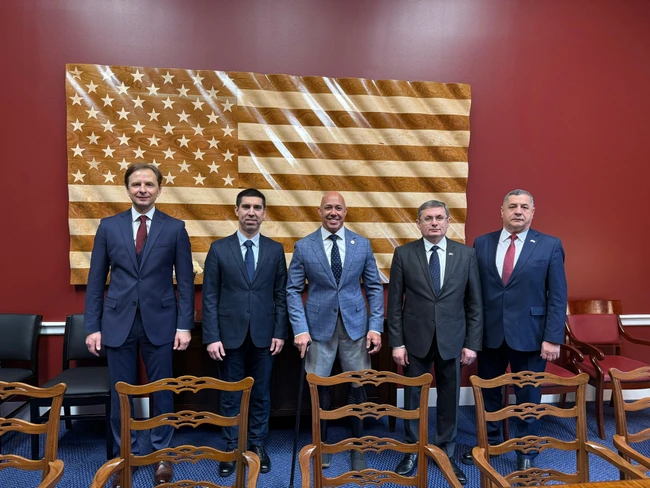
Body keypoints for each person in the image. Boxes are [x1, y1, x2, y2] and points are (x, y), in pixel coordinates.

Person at [84, 163, 194, 487]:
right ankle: (126, 456)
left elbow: (185, 283)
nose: (142, 189)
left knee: (162, 392)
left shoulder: (175, 228)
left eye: (149, 184)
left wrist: (184, 325)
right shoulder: (108, 227)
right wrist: (92, 327)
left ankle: (162, 455)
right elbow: (95, 282)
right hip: (117, 322)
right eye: (136, 184)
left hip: (161, 323)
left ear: (159, 188)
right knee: (122, 393)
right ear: (127, 188)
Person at [461, 189, 567, 471]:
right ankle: (490, 443)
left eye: (524, 207)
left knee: (528, 395)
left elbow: (558, 296)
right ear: (502, 211)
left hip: (532, 336)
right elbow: (474, 293)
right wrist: (471, 336)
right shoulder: (482, 243)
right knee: (489, 393)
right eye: (512, 206)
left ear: (532, 212)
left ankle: (526, 450)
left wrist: (552, 338)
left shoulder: (550, 245)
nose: (518, 211)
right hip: (490, 335)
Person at [286, 191, 384, 472]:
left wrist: (375, 327)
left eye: (338, 208)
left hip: (356, 327)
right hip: (317, 329)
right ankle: (323, 441)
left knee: (358, 383)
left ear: (345, 211)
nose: (333, 212)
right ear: (319, 211)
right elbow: (292, 290)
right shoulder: (304, 246)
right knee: (320, 384)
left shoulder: (361, 244)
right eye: (328, 207)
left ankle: (357, 443)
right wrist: (300, 329)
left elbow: (374, 288)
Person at [387, 200, 482, 484]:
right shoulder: (404, 254)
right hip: (414, 340)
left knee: (449, 399)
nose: (434, 223)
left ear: (448, 221)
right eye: (428, 218)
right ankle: (413, 450)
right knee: (413, 398)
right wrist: (397, 343)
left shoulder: (466, 255)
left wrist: (471, 343)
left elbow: (474, 304)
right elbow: (394, 304)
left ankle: (445, 452)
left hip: (453, 340)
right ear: (418, 223)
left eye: (440, 217)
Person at [202, 188, 288, 476]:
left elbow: (280, 295)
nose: (252, 212)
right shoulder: (219, 249)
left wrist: (280, 332)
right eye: (246, 207)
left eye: (257, 207)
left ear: (264, 214)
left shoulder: (275, 250)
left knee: (261, 393)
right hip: (228, 336)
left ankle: (257, 445)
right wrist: (212, 336)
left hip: (265, 335)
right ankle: (231, 447)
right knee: (231, 395)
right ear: (236, 211)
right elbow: (210, 296)